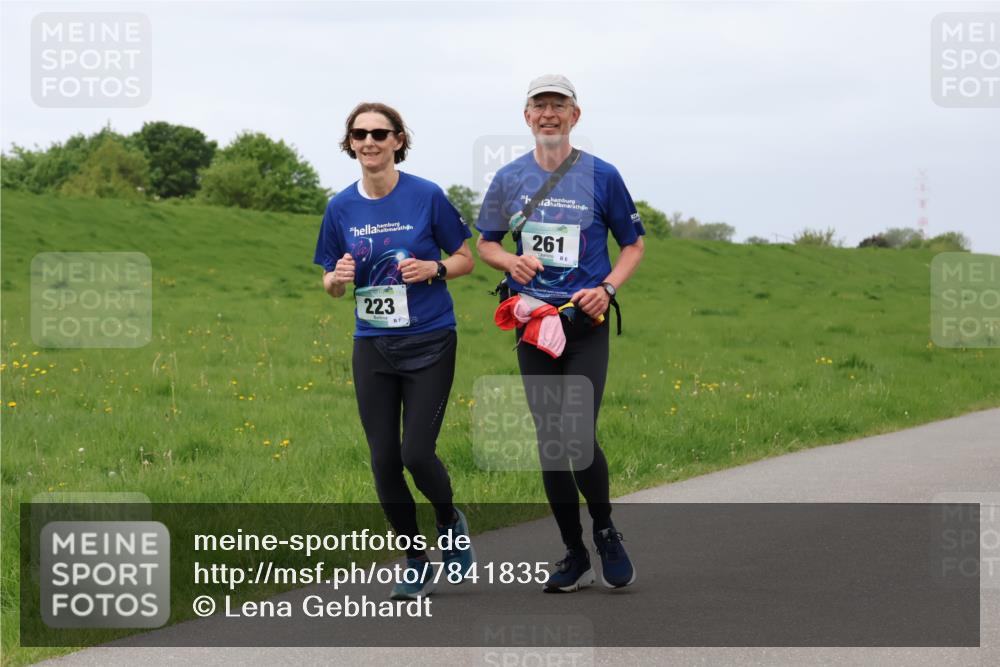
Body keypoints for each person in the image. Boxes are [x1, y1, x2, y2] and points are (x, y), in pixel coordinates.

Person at [476, 75, 645, 593]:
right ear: (526, 117)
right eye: (539, 105)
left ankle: (605, 529)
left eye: (559, 105)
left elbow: (633, 244)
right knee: (551, 442)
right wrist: (510, 260)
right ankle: (574, 552)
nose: (549, 113)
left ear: (576, 115)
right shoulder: (507, 178)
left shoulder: (603, 175)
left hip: (584, 322)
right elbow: (485, 243)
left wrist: (609, 289)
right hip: (533, 323)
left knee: (576, 434)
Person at [314, 102, 476, 600]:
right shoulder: (340, 207)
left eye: (380, 134)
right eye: (360, 134)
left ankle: (449, 521)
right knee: (384, 459)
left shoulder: (426, 196)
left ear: (398, 140)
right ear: (350, 143)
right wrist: (336, 280)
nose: (370, 142)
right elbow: (330, 282)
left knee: (416, 453)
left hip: (430, 339)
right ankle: (414, 558)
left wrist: (436, 270)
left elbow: (466, 257)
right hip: (373, 346)